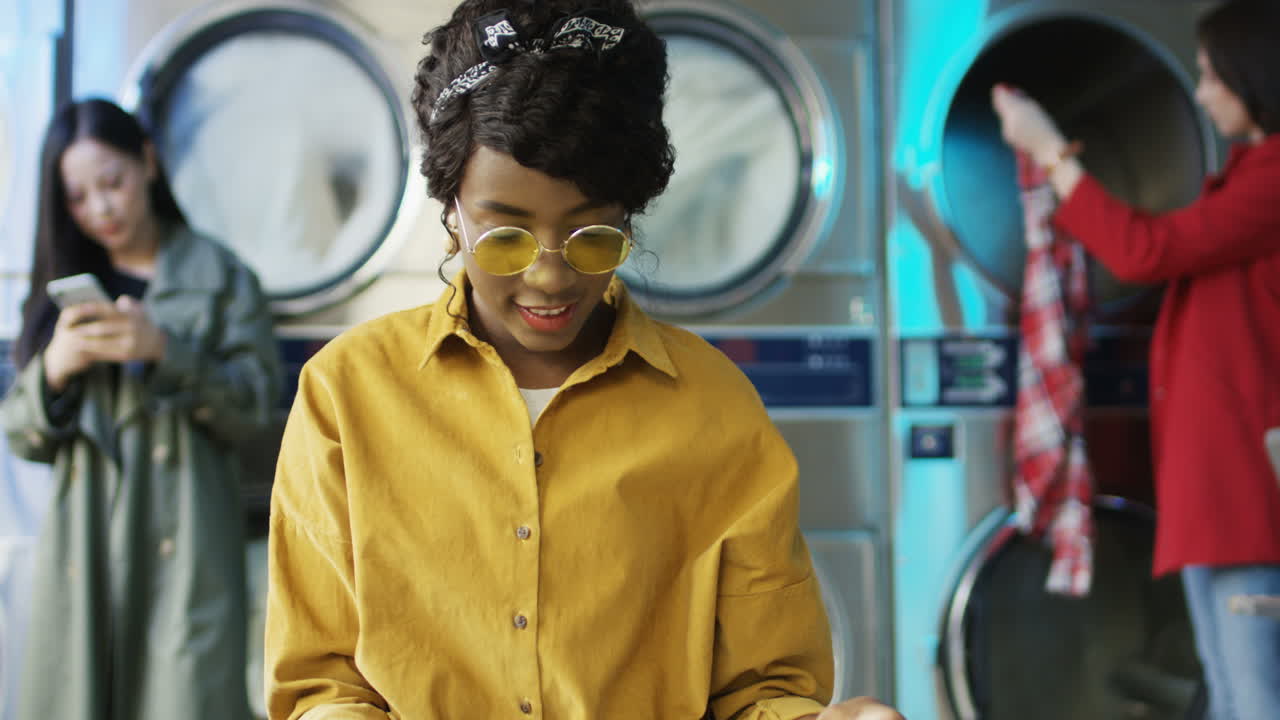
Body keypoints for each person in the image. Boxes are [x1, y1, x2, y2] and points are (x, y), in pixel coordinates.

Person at [263, 2, 903, 719]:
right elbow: (323, 688)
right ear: (451, 212)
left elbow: (759, 692)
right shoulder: (347, 394)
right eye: (506, 237)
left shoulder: (713, 405)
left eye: (593, 236)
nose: (550, 278)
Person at [991, 0, 1280, 717]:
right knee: (1233, 695)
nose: (1202, 94)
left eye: (1212, 76)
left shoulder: (1274, 181)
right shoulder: (1250, 175)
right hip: (1221, 496)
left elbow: (1145, 251)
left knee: (1254, 698)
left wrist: (1051, 152)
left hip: (1252, 502)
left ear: (1256, 76)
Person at [0, 98, 282, 719]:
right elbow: (20, 436)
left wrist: (164, 351)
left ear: (147, 163)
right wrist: (54, 369)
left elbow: (258, 411)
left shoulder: (222, 276)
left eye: (112, 182)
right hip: (84, 551)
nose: (101, 209)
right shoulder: (62, 284)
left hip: (187, 548)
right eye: (78, 197)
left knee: (183, 698)